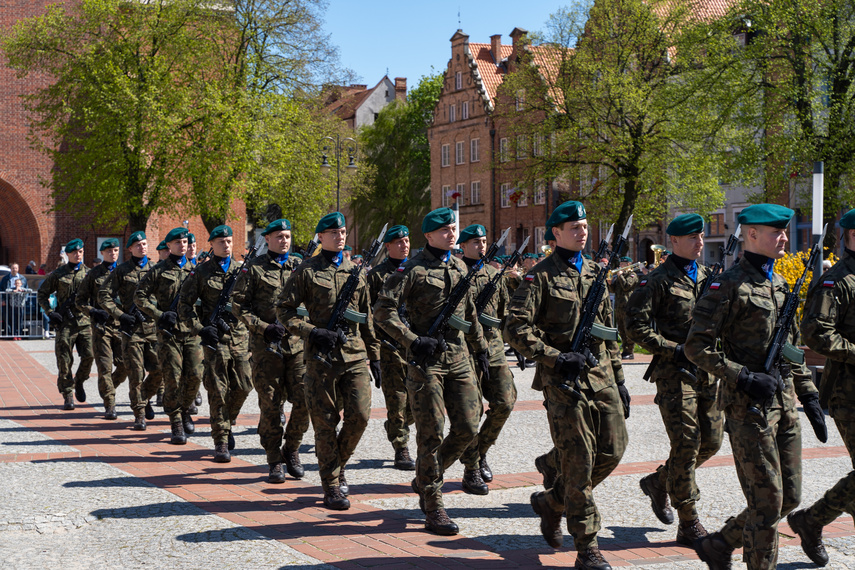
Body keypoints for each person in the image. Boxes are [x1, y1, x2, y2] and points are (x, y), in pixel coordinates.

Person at [685, 204, 826, 570]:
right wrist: (742, 376)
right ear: (751, 235)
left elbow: (790, 347)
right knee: (767, 502)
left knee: (789, 497)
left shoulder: (779, 284)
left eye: (783, 231)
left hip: (782, 402)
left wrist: (808, 393)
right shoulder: (727, 285)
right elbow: (696, 346)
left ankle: (720, 543)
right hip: (747, 407)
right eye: (775, 232)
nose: (783, 238)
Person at [504, 201, 629, 570]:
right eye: (573, 226)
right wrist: (554, 357)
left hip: (601, 376)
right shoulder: (538, 276)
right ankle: (587, 547)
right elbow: (514, 327)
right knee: (579, 463)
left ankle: (551, 501)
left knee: (614, 449)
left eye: (585, 225)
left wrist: (620, 378)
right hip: (564, 382)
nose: (582, 231)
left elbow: (608, 333)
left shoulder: (595, 272)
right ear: (555, 233)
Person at [375, 207, 490, 535]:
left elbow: (469, 313)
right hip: (426, 362)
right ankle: (434, 505)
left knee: (468, 427)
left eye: (453, 229)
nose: (451, 234)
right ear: (428, 236)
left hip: (459, 357)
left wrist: (480, 349)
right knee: (431, 433)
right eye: (444, 230)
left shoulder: (458, 265)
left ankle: (426, 475)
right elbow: (383, 311)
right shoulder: (411, 269)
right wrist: (412, 340)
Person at [624, 213, 722, 546]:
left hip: (707, 371)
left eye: (702, 237)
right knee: (687, 443)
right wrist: (672, 348)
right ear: (675, 242)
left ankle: (658, 482)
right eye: (692, 238)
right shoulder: (658, 279)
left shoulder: (710, 276)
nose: (699, 243)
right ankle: (689, 520)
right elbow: (634, 325)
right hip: (674, 372)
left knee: (711, 443)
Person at [277, 212, 380, 510]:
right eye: (333, 232)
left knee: (359, 417)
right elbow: (284, 310)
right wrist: (312, 332)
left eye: (343, 231)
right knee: (325, 423)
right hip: (322, 358)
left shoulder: (356, 272)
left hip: (355, 354)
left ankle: (337, 464)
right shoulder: (307, 271)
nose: (340, 236)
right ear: (320, 237)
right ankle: (332, 485)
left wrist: (375, 356)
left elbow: (366, 317)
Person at [787, 208, 855, 568]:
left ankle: (810, 521)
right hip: (848, 390)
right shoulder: (836, 280)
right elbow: (816, 333)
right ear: (846, 237)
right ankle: (810, 521)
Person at [232, 218, 310, 483]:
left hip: (296, 345)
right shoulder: (254, 269)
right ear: (268, 239)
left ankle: (292, 448)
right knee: (270, 404)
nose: (284, 240)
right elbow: (238, 306)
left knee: (305, 400)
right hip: (266, 347)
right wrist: (263, 327)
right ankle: (274, 459)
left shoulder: (300, 267)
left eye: (287, 236)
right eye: (278, 236)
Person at [179, 225, 252, 463]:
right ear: (212, 243)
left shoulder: (243, 271)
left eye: (229, 241)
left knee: (243, 386)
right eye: (221, 241)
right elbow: (184, 306)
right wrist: (201, 329)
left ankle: (227, 423)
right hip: (215, 340)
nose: (226, 244)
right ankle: (220, 440)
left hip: (239, 338)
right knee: (218, 391)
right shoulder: (201, 272)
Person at [456, 224, 516, 494]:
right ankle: (471, 469)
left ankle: (480, 451)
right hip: (465, 351)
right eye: (475, 242)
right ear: (463, 245)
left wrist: (517, 345)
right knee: (472, 412)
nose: (481, 246)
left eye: (484, 240)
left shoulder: (495, 274)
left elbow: (504, 314)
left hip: (493, 350)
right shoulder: (456, 274)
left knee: (505, 402)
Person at [134, 227, 202, 445]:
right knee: (172, 377)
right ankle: (176, 422)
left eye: (185, 241)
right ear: (169, 245)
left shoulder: (196, 270)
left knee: (195, 375)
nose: (183, 245)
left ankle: (184, 409)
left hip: (191, 332)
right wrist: (159, 315)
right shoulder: (158, 270)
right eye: (178, 242)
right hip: (168, 333)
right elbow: (140, 297)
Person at [99, 231, 163, 430]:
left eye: (144, 243)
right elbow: (104, 295)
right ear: (130, 249)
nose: (142, 247)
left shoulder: (155, 268)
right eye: (138, 245)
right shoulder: (122, 271)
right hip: (131, 329)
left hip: (152, 329)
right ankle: (140, 414)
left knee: (159, 370)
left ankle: (143, 397)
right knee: (135, 373)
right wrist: (120, 315)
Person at [366, 224, 416, 471]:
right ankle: (401, 447)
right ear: (388, 247)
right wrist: (373, 351)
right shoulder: (376, 275)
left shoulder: (417, 270)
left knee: (419, 399)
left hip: (416, 344)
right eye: (398, 242)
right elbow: (369, 315)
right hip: (389, 346)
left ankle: (398, 425)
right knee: (396, 398)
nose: (404, 245)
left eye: (406, 241)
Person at [37, 240, 94, 410]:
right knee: (64, 360)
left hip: (84, 323)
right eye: (75, 252)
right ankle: (68, 394)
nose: (78, 254)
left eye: (81, 251)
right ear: (68, 254)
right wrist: (50, 312)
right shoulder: (58, 274)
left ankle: (80, 381)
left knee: (90, 355)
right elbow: (42, 293)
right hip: (65, 324)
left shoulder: (89, 274)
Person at [75, 238, 127, 420]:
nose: (113, 253)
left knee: (125, 365)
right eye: (109, 251)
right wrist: (93, 311)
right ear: (102, 253)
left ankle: (108, 387)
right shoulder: (93, 274)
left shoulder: (125, 272)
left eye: (115, 250)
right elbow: (80, 300)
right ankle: (110, 404)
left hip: (121, 326)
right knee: (104, 367)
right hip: (101, 328)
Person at [610, 256, 639, 359]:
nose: (620, 265)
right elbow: (614, 290)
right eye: (620, 263)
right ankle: (624, 349)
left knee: (628, 330)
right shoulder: (620, 275)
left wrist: (620, 276)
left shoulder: (632, 275)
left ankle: (630, 351)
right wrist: (610, 283)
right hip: (619, 306)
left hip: (628, 306)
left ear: (628, 264)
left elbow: (626, 286)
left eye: (622, 264)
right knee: (621, 329)